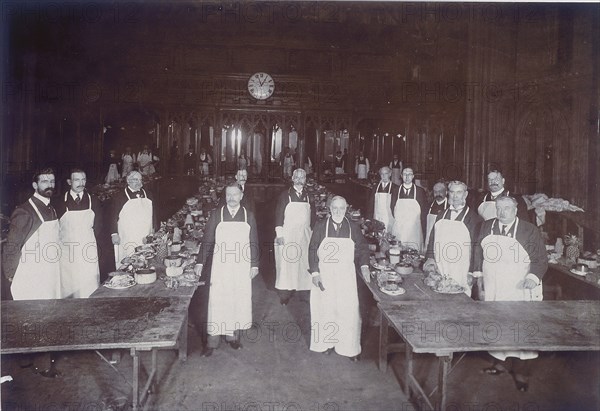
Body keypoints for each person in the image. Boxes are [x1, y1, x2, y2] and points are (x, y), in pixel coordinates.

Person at [473, 196, 547, 392]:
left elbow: (540, 259)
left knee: (519, 328)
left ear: (515, 210)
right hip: (494, 286)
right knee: (496, 325)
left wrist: (532, 277)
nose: (502, 212)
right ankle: (499, 363)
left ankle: (521, 372)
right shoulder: (487, 226)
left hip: (518, 288)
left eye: (507, 208)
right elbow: (478, 253)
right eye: (499, 208)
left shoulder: (528, 229)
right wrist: (478, 279)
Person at [2, 168, 61, 377]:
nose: (49, 185)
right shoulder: (25, 211)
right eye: (44, 181)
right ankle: (42, 364)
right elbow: (12, 246)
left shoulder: (51, 209)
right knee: (37, 316)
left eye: (52, 181)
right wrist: (10, 275)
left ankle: (29, 358)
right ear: (35, 185)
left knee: (46, 314)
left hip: (49, 273)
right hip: (31, 275)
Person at [194, 183, 260, 356]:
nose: (231, 198)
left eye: (235, 194)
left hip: (241, 266)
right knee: (218, 300)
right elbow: (207, 239)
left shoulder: (248, 216)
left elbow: (254, 242)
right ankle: (212, 341)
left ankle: (232, 336)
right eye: (228, 195)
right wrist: (200, 262)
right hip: (221, 266)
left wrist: (254, 264)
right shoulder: (217, 215)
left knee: (237, 300)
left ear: (241, 195)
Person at [308, 196, 370, 361]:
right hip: (325, 276)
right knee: (325, 310)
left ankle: (349, 348)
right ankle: (327, 343)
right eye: (334, 208)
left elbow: (363, 248)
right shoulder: (321, 226)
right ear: (329, 209)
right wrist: (315, 273)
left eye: (341, 208)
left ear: (346, 209)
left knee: (348, 311)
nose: (337, 211)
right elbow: (313, 249)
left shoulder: (353, 227)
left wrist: (364, 266)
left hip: (345, 277)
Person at [423, 181, 482, 296]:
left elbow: (477, 249)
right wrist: (430, 258)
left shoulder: (474, 219)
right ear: (448, 194)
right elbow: (432, 239)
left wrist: (471, 272)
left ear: (465, 195)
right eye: (452, 192)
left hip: (461, 270)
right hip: (440, 266)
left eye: (459, 192)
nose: (455, 196)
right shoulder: (441, 215)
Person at [55, 168, 101, 299]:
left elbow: (99, 225)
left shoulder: (94, 201)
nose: (81, 183)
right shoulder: (59, 202)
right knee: (70, 284)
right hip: (67, 251)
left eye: (83, 179)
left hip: (88, 248)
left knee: (89, 283)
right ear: (69, 182)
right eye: (77, 180)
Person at [274, 168, 316, 305]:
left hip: (304, 235)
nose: (299, 180)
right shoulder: (285, 195)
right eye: (296, 177)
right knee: (287, 265)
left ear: (305, 179)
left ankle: (303, 291)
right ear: (292, 179)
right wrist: (279, 235)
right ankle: (285, 295)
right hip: (288, 235)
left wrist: (313, 234)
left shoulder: (309, 196)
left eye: (302, 177)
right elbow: (278, 216)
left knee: (304, 264)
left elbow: (313, 218)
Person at [110, 170, 156, 268]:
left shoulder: (148, 194)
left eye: (140, 180)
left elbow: (154, 214)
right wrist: (114, 234)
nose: (139, 182)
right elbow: (112, 216)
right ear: (128, 181)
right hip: (128, 235)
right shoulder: (119, 196)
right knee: (130, 259)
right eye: (135, 180)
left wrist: (154, 228)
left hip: (145, 233)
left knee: (146, 258)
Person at [390, 167, 427, 252]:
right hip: (400, 228)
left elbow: (424, 211)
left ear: (413, 176)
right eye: (405, 174)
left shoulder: (420, 191)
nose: (407, 177)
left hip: (414, 229)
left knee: (414, 252)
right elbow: (392, 207)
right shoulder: (396, 190)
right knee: (398, 251)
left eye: (409, 174)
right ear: (401, 176)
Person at [365, 166, 398, 233]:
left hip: (389, 219)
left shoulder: (395, 188)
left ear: (390, 174)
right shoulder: (375, 187)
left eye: (386, 173)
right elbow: (371, 204)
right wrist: (368, 218)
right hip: (377, 217)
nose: (384, 176)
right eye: (382, 174)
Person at [424, 181, 449, 249]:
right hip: (429, 240)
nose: (438, 194)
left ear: (446, 192)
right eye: (435, 192)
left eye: (440, 191)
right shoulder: (428, 206)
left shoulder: (450, 207)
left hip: (444, 241)